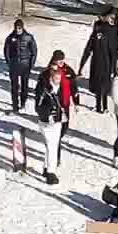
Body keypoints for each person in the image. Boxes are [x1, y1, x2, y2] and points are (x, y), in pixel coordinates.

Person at [35, 51, 76, 185]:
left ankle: (48, 169)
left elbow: (72, 87)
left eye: (60, 79)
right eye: (56, 79)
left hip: (58, 118)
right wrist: (47, 114)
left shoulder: (63, 80)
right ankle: (50, 171)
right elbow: (39, 105)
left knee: (52, 145)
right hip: (46, 121)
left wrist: (75, 101)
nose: (59, 81)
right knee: (51, 145)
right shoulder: (44, 86)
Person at [78, 13, 118, 114]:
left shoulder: (109, 31)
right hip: (102, 62)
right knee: (102, 84)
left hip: (102, 61)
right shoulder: (106, 31)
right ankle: (101, 106)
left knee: (101, 84)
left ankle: (102, 106)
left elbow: (88, 50)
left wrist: (81, 66)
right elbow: (112, 51)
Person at [3, 19, 38, 114]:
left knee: (24, 86)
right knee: (14, 87)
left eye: (19, 28)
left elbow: (34, 52)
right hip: (14, 65)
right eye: (16, 28)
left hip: (25, 65)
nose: (18, 30)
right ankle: (15, 105)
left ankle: (23, 103)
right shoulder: (10, 38)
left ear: (22, 28)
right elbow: (6, 50)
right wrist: (9, 62)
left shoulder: (29, 37)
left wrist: (31, 64)